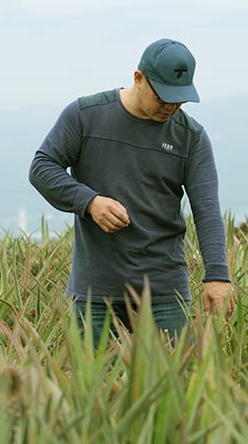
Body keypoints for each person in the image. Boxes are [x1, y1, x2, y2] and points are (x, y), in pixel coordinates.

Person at [30, 38, 234, 343]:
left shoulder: (190, 137)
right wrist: (89, 202)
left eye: (180, 99)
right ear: (138, 78)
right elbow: (42, 168)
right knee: (91, 389)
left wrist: (217, 275)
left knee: (173, 384)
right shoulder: (85, 116)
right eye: (163, 96)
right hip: (94, 292)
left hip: (165, 294)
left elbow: (206, 210)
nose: (171, 106)